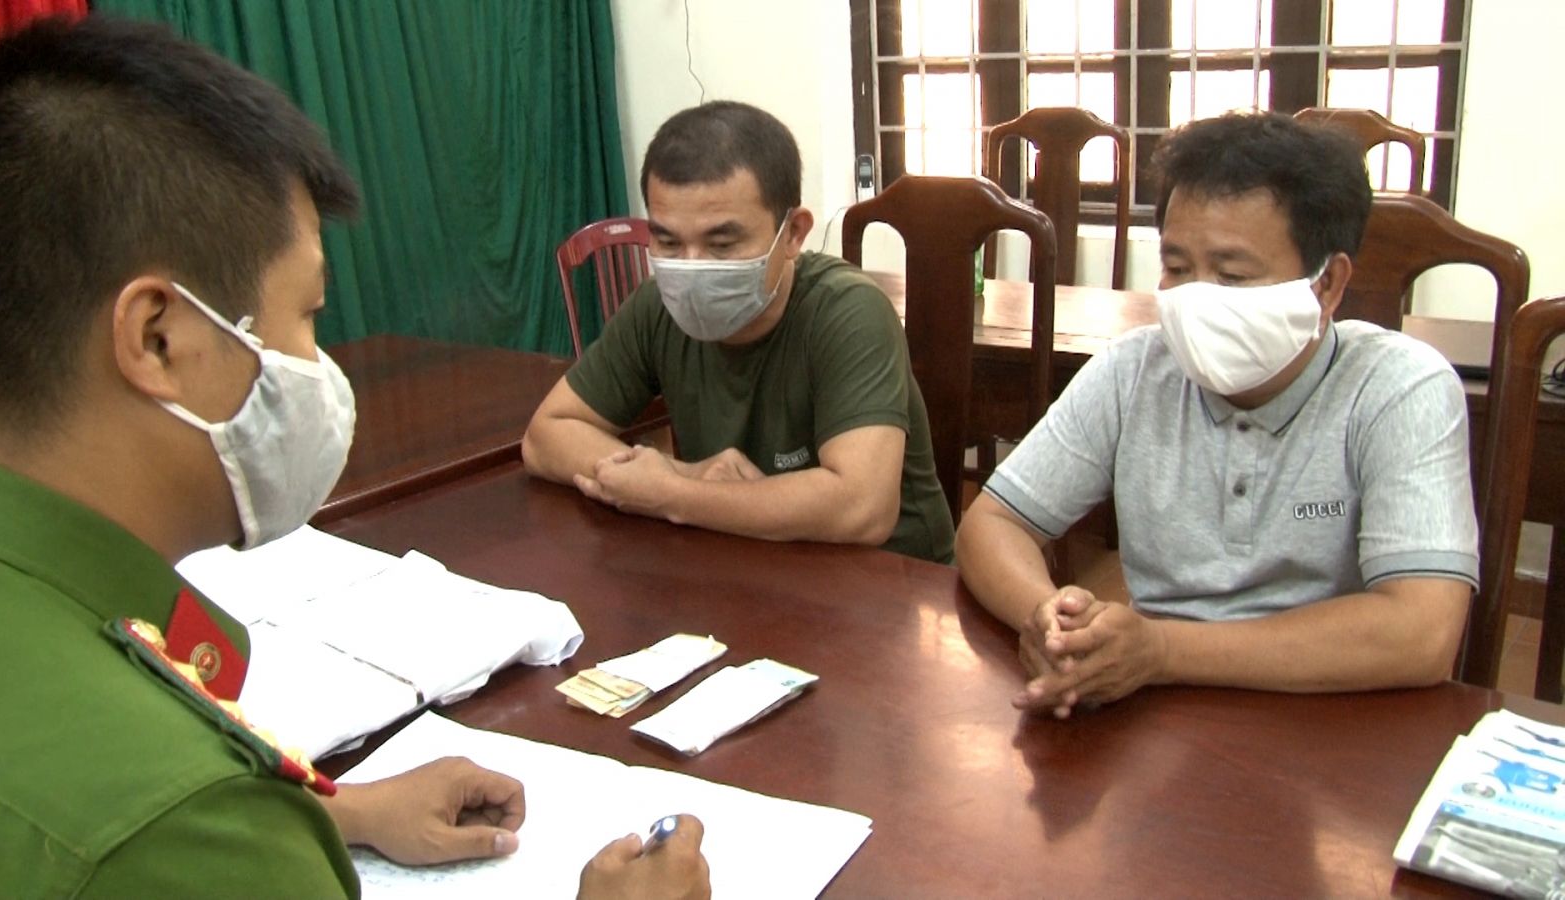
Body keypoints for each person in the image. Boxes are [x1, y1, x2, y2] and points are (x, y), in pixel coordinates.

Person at [0, 16, 708, 898]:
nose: (318, 367)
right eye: (308, 313)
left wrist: (337, 809)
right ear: (159, 338)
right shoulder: (188, 831)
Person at [957, 111, 1477, 718]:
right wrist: (1049, 622)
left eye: (1232, 276)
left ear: (1327, 284)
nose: (1196, 299)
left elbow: (1421, 632)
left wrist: (1164, 651)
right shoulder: (1134, 370)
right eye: (1177, 268)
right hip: (1156, 719)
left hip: (1334, 719)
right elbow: (992, 524)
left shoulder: (1399, 388)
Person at [522, 101, 954, 563]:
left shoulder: (848, 311)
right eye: (668, 241)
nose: (691, 268)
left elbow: (862, 509)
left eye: (721, 244)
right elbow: (546, 437)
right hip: (746, 558)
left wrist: (671, 493)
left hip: (890, 580)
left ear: (793, 234)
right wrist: (683, 476)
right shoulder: (656, 307)